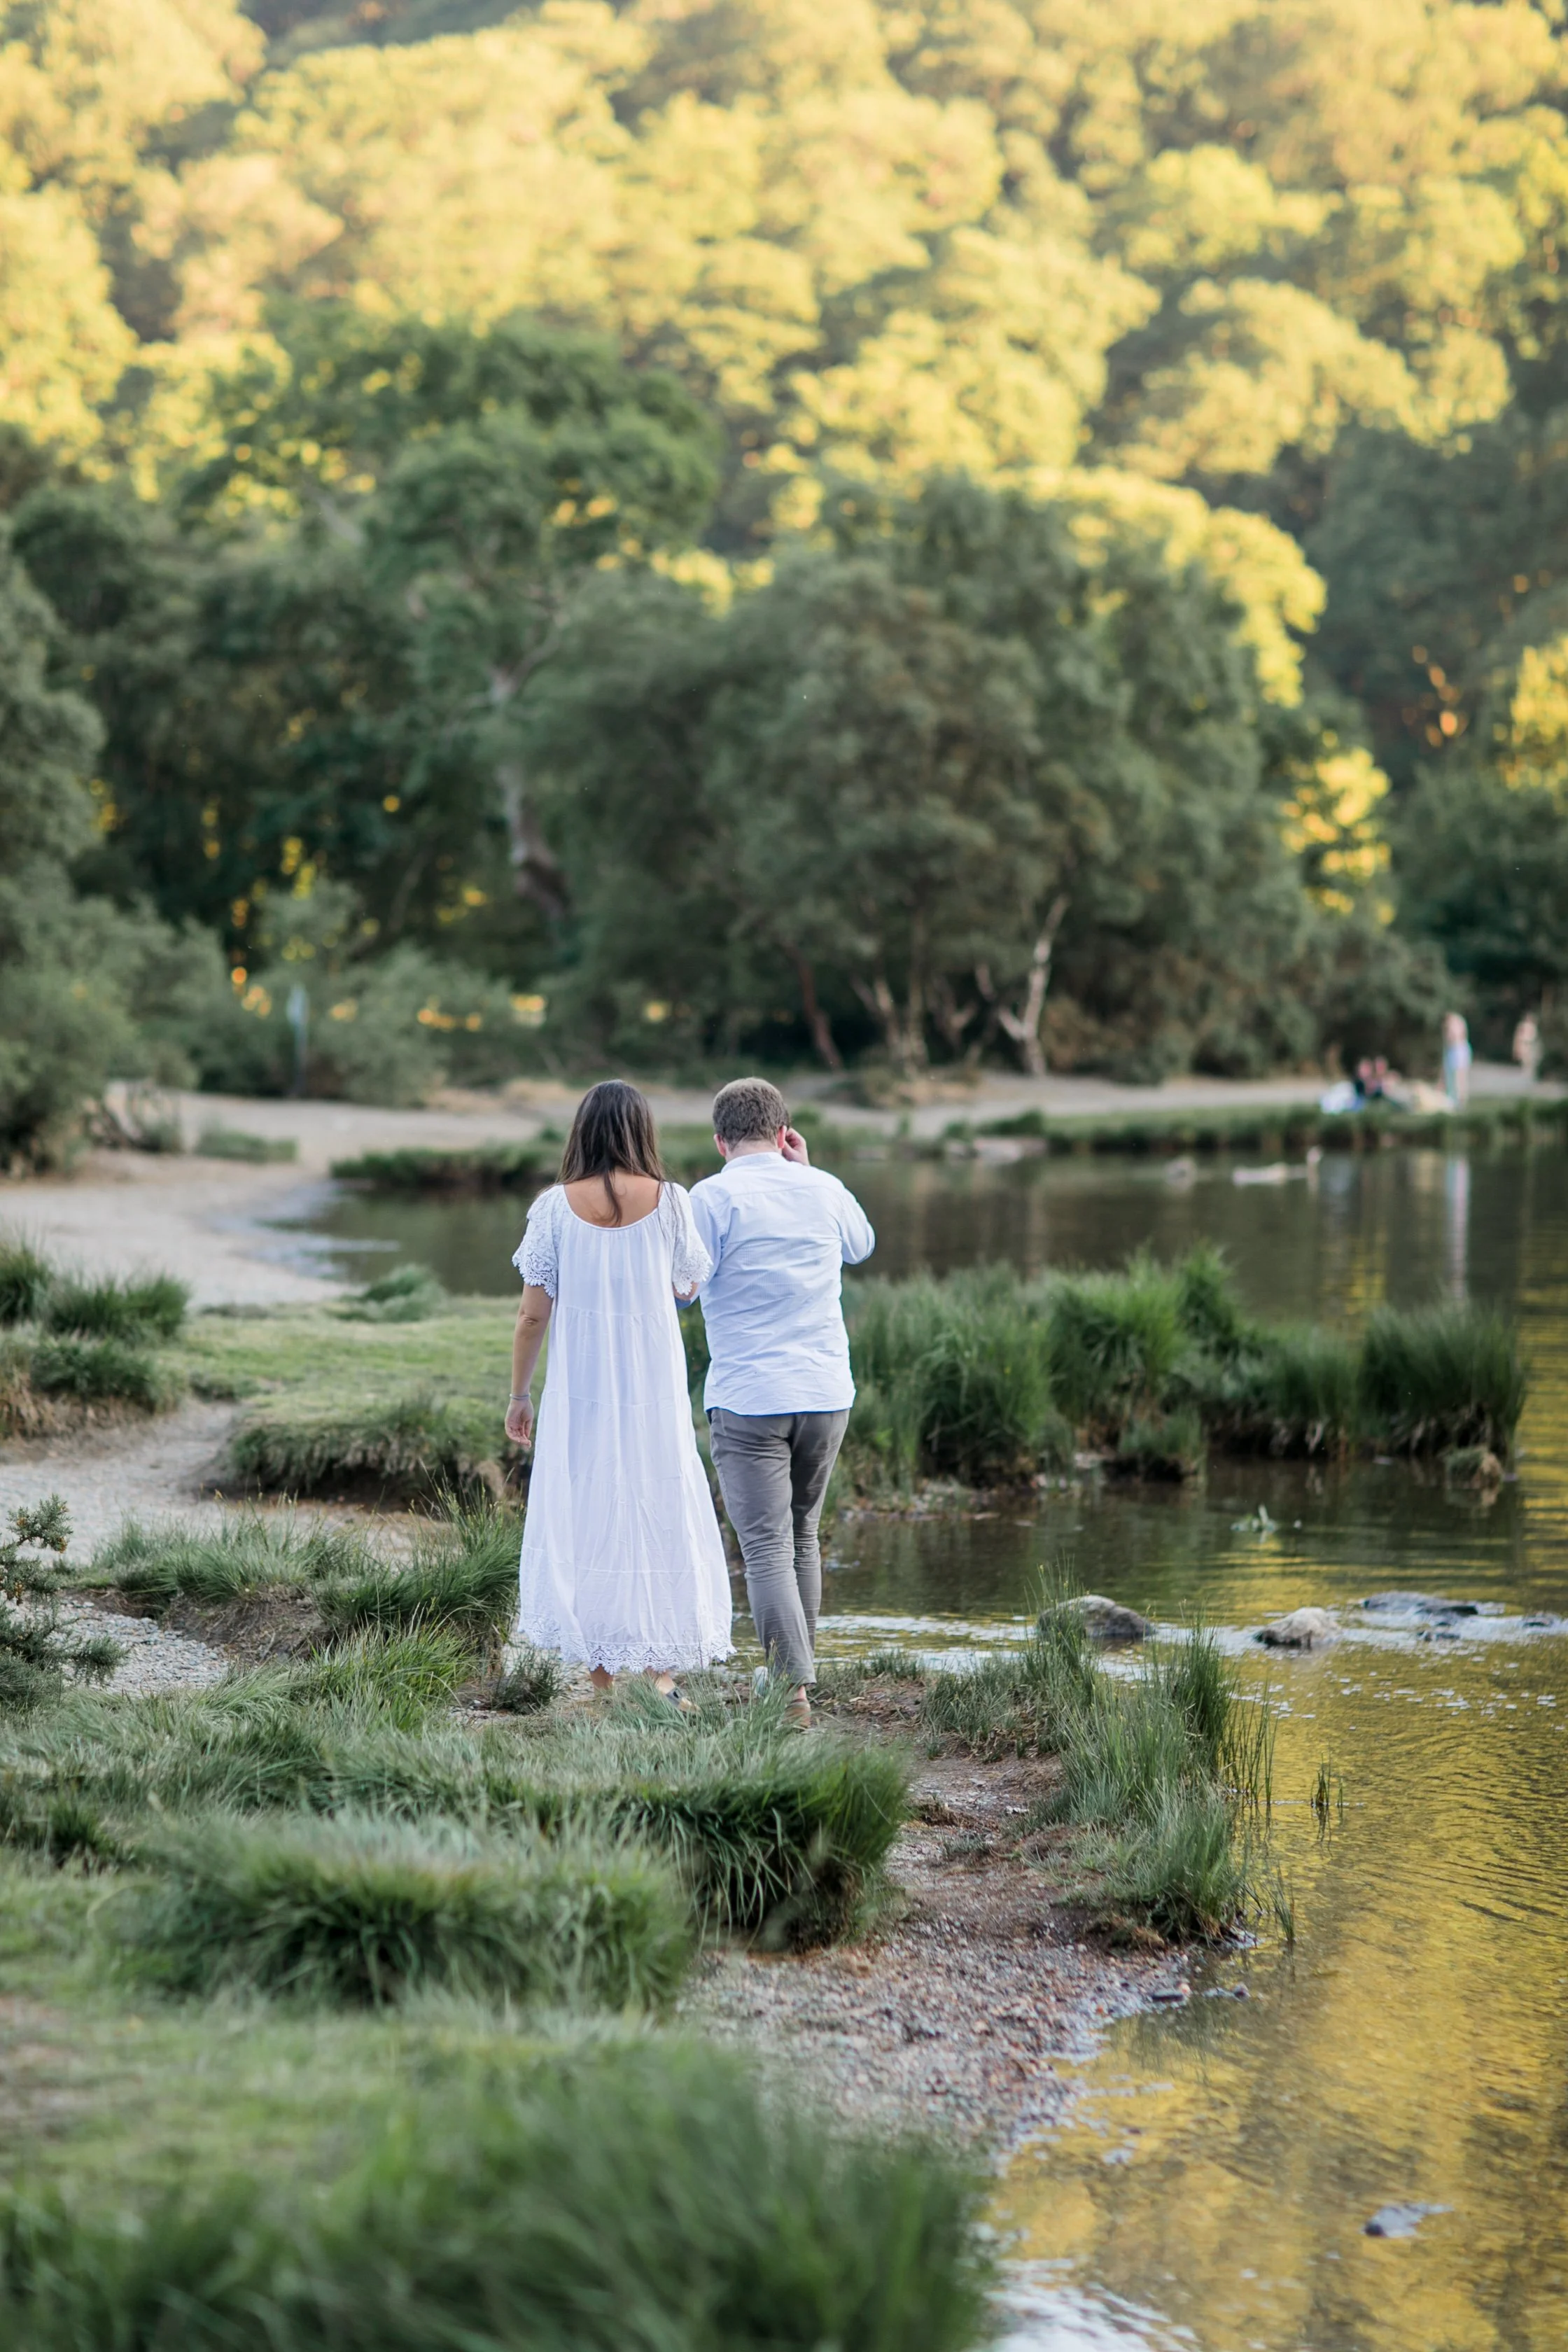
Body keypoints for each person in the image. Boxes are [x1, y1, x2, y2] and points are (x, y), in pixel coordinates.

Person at [504, 1079, 731, 1701]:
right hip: (652, 1390)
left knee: (585, 1511)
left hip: (581, 1392)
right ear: (642, 1131)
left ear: (583, 1130)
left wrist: (519, 1394)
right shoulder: (674, 1202)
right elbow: (688, 1286)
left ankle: (601, 1681)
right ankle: (660, 1676)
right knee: (658, 1507)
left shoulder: (553, 1207)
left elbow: (531, 1316)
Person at [689, 1077, 875, 1730]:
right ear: (783, 1130)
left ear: (720, 1141)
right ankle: (797, 1671)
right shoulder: (823, 1188)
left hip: (750, 1399)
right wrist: (811, 1167)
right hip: (826, 1395)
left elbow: (684, 1287)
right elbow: (863, 1245)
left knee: (766, 1545)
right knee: (800, 1535)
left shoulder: (710, 1198)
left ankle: (793, 1693)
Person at [1442, 1011, 1472, 1108]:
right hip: (1453, 1050)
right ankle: (1454, 1099)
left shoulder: (1455, 1022)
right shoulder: (1455, 1022)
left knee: (1459, 1076)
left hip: (1458, 1050)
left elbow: (1455, 1037)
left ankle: (1460, 1101)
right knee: (1451, 1076)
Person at [1513, 1011, 1541, 1085]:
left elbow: (1535, 1037)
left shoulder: (1534, 1027)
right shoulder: (1522, 1026)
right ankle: (1525, 1075)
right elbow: (1519, 1036)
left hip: (1531, 1045)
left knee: (1531, 1060)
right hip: (1524, 1043)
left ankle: (1530, 1075)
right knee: (1525, 1059)